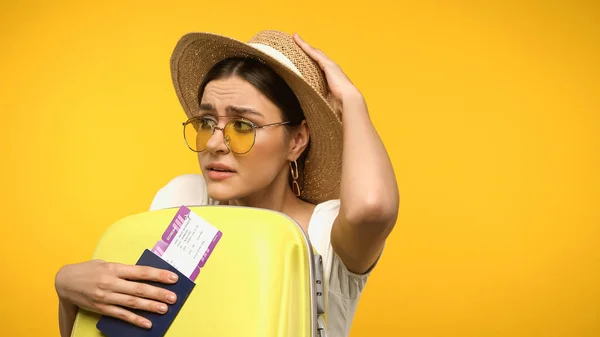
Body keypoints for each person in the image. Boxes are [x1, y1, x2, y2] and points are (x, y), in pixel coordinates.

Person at [54, 30, 399, 337]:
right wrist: (68, 293)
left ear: (296, 141)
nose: (215, 143)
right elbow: (135, 326)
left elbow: (372, 207)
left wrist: (352, 102)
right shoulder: (184, 201)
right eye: (206, 121)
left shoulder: (325, 231)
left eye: (243, 126)